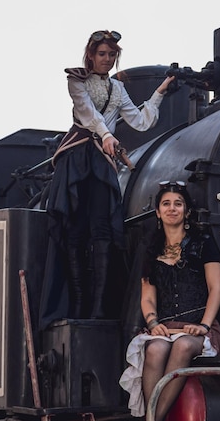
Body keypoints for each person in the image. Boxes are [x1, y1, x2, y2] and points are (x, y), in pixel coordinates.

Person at [39, 30, 175, 329]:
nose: (107, 59)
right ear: (91, 55)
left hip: (101, 161)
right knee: (74, 229)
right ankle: (76, 304)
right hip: (76, 156)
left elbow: (141, 122)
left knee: (102, 230)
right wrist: (108, 135)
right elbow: (88, 115)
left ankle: (99, 308)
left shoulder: (118, 88)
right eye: (102, 54)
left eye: (112, 55)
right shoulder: (76, 79)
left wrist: (159, 93)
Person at [119, 181, 220, 421]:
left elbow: (216, 289)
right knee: (154, 351)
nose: (172, 208)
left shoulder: (204, 244)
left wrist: (203, 326)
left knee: (183, 346)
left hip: (197, 328)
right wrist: (153, 323)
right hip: (164, 326)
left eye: (178, 203)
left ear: (186, 211)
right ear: (157, 211)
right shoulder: (150, 248)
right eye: (166, 203)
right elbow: (148, 296)